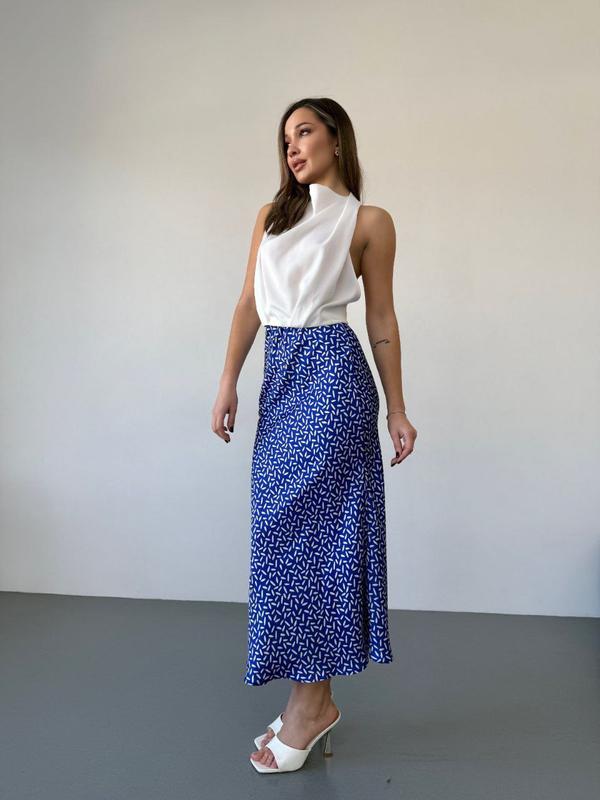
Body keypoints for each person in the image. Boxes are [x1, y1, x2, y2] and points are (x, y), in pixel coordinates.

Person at [211, 97, 417, 773]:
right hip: (280, 379)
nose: (292, 146)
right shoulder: (271, 216)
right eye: (286, 139)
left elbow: (381, 318)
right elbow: (249, 302)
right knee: (280, 534)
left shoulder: (368, 222)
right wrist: (228, 381)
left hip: (333, 376)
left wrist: (396, 408)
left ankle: (311, 704)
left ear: (336, 138)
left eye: (304, 132)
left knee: (315, 539)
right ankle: (311, 696)